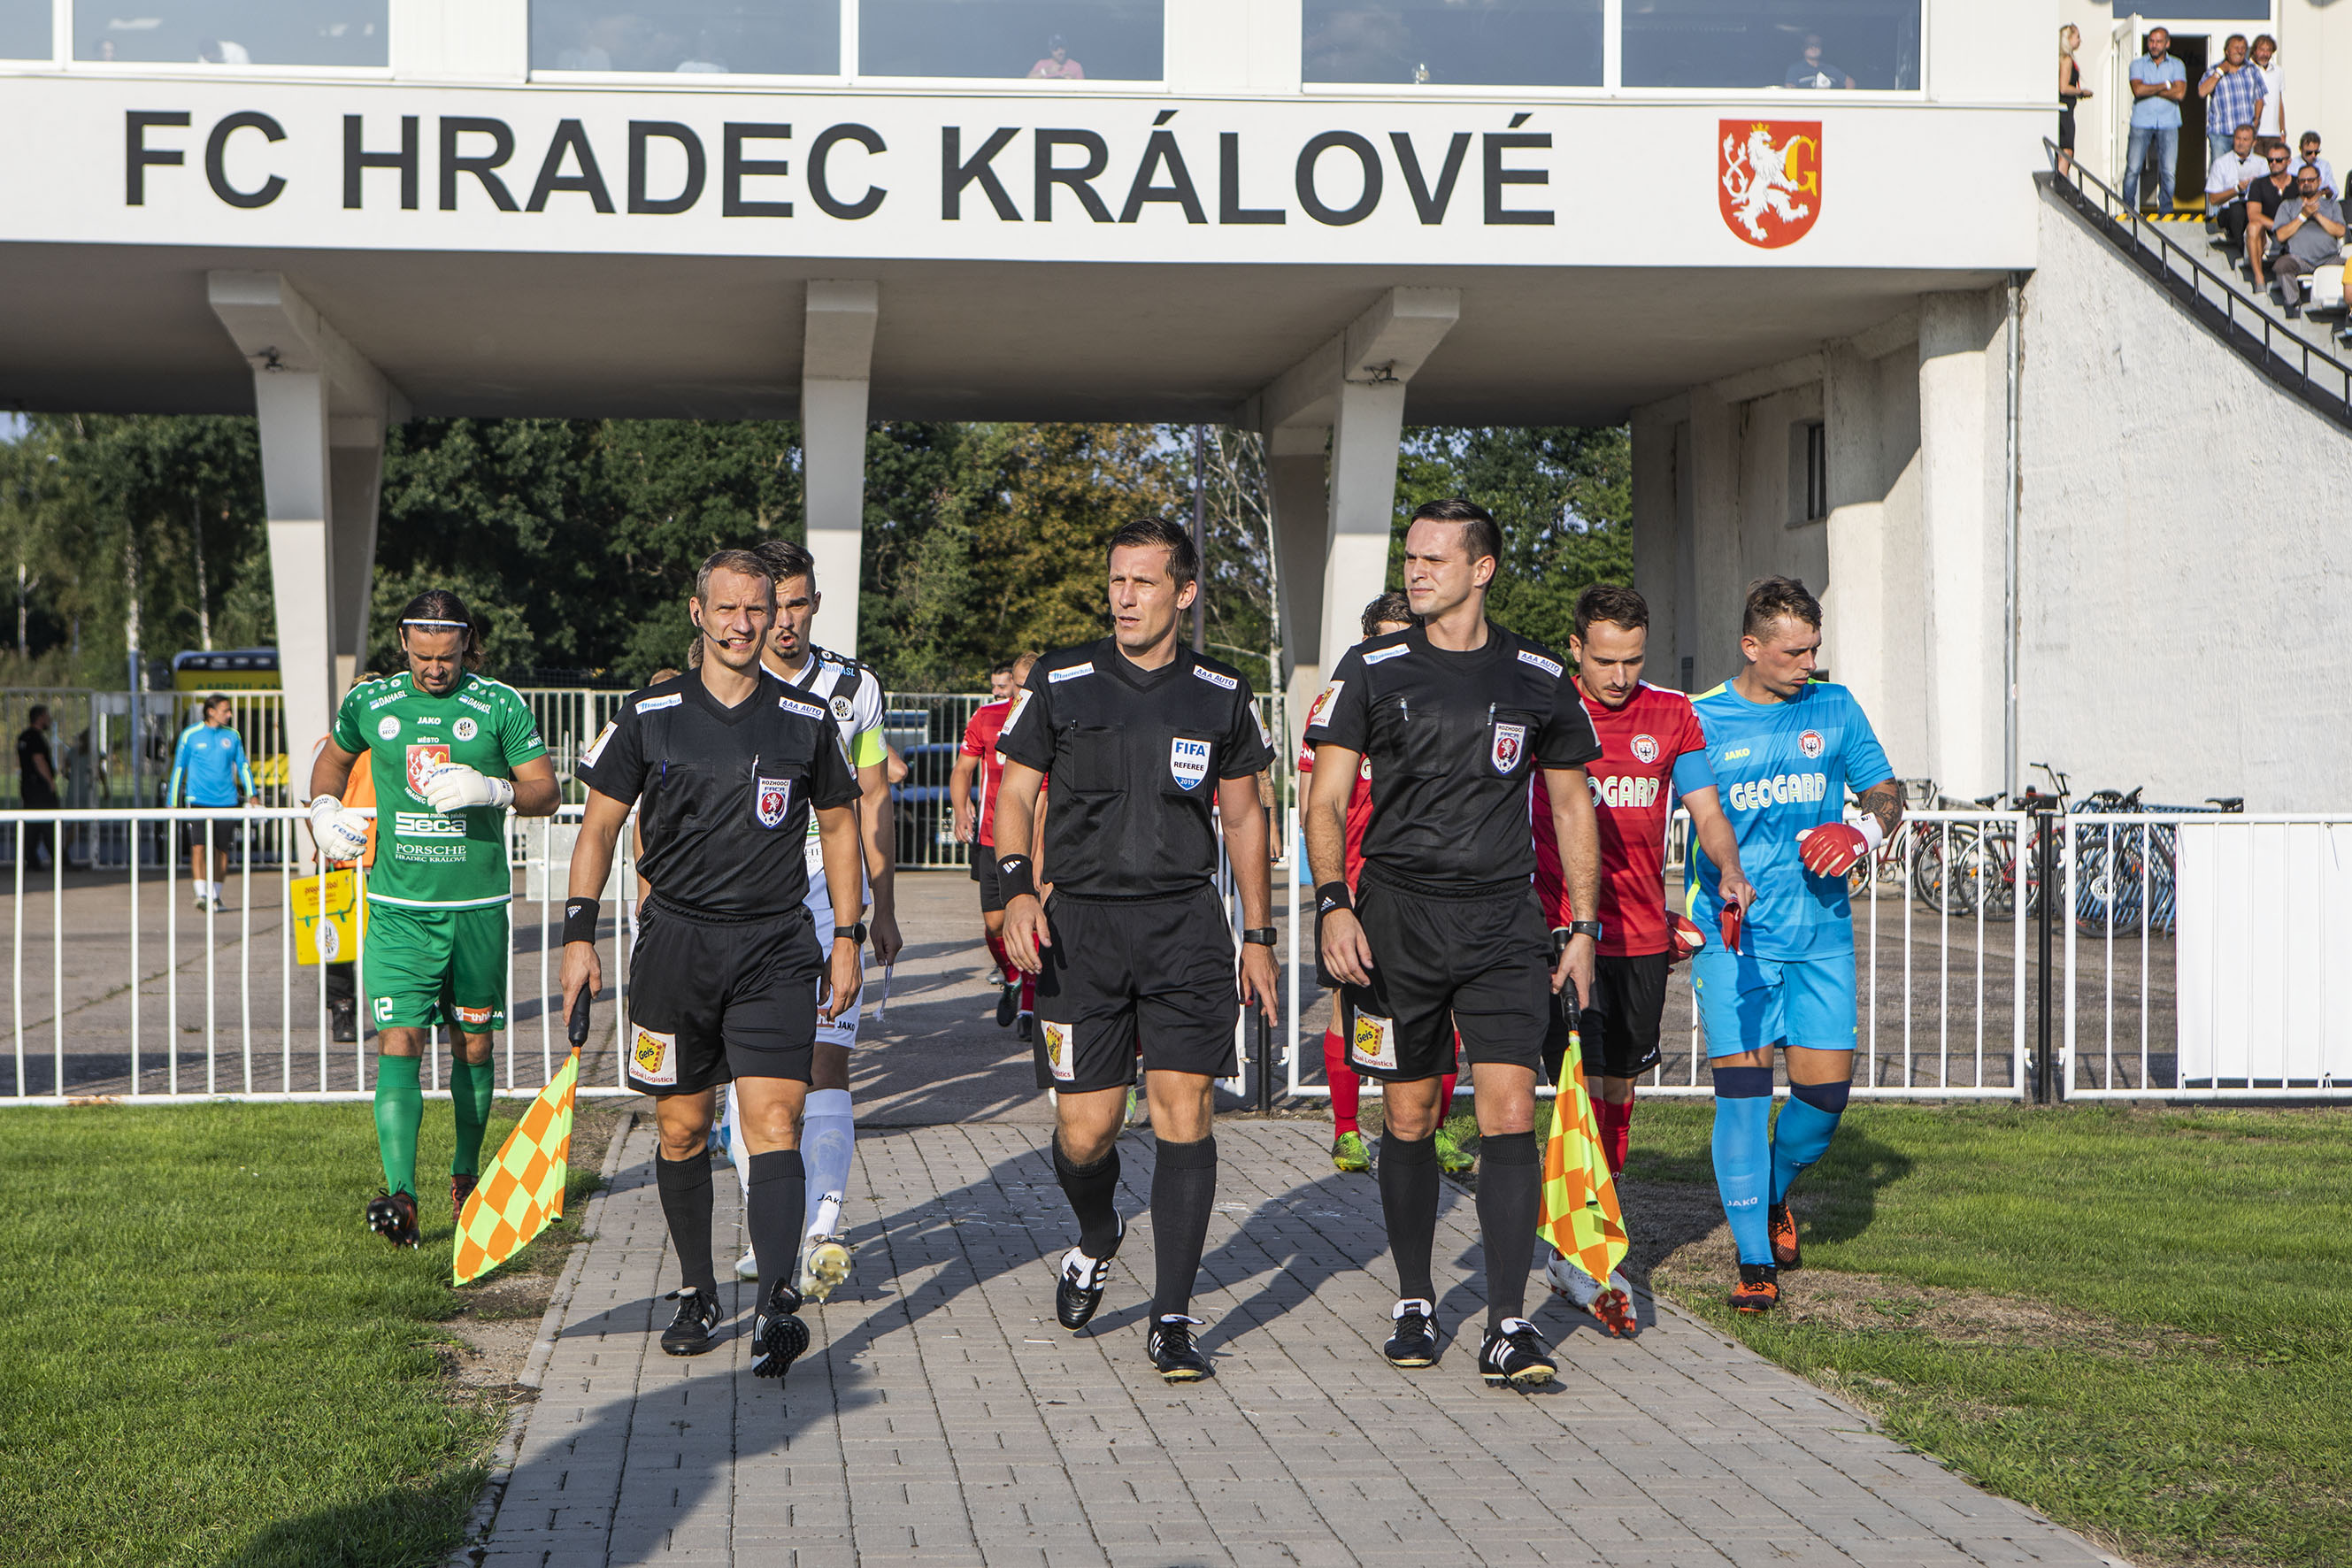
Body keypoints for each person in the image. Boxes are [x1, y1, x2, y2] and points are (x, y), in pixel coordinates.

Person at [1305, 497, 1603, 1390]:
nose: (1416, 571)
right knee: (1409, 1117)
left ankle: (1508, 1324)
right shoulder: (1371, 667)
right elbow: (1325, 801)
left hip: (1503, 923)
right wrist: (1333, 904)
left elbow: (1571, 806)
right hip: (1396, 920)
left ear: (1483, 569)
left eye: (1435, 559)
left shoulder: (1539, 675)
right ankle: (1414, 1298)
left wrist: (1583, 928)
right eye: (1411, 557)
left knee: (1511, 1113)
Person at [560, 550, 865, 1380]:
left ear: (776, 615)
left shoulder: (805, 718)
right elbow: (598, 827)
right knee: (682, 1128)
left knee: (776, 1124)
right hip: (675, 950)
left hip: (774, 948)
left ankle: (774, 1307)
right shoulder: (648, 713)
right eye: (726, 609)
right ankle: (697, 1290)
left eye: (756, 609)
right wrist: (578, 936)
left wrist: (847, 935)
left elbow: (841, 827)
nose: (742, 625)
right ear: (698, 614)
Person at [995, 516, 1277, 1383]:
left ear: (1183, 593)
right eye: (1116, 580)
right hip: (1078, 932)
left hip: (1185, 928)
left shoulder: (1221, 691)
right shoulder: (1061, 679)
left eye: (1144, 581)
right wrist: (1014, 887)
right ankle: (1097, 1232)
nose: (1124, 596)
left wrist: (1259, 935)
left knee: (1184, 1111)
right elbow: (1015, 793)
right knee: (1086, 1132)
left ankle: (1173, 1317)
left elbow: (1244, 817)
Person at [1530, 586, 1754, 1334]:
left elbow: (1706, 809)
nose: (1621, 676)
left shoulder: (1671, 713)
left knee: (1620, 1084)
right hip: (1565, 932)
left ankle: (1590, 1225)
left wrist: (1728, 867)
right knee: (1580, 1077)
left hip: (1642, 937)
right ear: (1576, 648)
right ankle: (1582, 1249)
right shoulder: (1545, 707)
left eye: (1633, 660)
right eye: (1605, 661)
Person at [309, 592, 560, 1247]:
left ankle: (465, 1176)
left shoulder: (498, 704)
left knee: (474, 1044)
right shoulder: (372, 703)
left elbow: (548, 791)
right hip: (399, 911)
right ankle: (402, 1196)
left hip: (477, 911)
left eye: (446, 656)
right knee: (400, 1041)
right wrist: (322, 811)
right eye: (422, 656)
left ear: (466, 643)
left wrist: (497, 790)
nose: (434, 669)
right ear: (403, 642)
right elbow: (331, 762)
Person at [1687, 577, 1901, 1314]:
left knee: (1823, 1101)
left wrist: (1861, 830)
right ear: (1751, 646)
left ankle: (1772, 1192)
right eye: (1794, 652)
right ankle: (1754, 1260)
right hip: (1735, 938)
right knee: (1744, 1101)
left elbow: (1887, 792)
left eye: (1814, 648)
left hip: (1821, 935)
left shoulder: (1834, 706)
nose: (1810, 663)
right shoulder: (1701, 718)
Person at [716, 537, 903, 1303]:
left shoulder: (855, 687)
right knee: (753, 1076)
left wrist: (880, 906)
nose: (785, 621)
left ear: (815, 604)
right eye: (775, 606)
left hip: (830, 903)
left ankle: (822, 1230)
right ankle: (772, 1228)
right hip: (742, 903)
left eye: (798, 604)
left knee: (827, 1062)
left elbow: (873, 798)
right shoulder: (727, 676)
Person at [1299, 592, 1469, 1178]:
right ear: (1367, 643)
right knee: (1347, 1007)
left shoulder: (1433, 702)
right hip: (1353, 886)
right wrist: (1332, 895)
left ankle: (1435, 1131)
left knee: (1442, 1011)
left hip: (1420, 887)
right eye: (1386, 641)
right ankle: (1347, 1130)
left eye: (1407, 639)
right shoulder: (1338, 702)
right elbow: (1314, 804)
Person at [952, 651, 1043, 1035]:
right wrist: (961, 809)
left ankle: (1029, 1010)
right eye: (1017, 685)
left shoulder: (1049, 721)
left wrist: (1041, 847)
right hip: (991, 838)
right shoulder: (987, 717)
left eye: (1028, 685)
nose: (1021, 693)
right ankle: (1012, 978)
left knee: (1032, 923)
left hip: (1035, 841)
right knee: (994, 924)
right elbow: (962, 769)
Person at [306, 727, 378, 1043]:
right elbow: (311, 804)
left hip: (384, 857)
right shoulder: (327, 746)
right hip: (338, 861)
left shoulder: (395, 739)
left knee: (401, 939)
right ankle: (342, 1009)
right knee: (335, 945)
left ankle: (418, 1009)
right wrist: (323, 846)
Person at [170, 695, 254, 912]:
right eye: (225, 710)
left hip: (227, 801)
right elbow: (179, 767)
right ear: (211, 711)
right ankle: (201, 894)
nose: (230, 714)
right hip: (198, 800)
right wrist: (172, 801)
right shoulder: (190, 735)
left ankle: (215, 896)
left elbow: (243, 766)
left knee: (221, 850)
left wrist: (252, 794)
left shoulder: (232, 736)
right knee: (198, 846)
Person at [2265, 163, 2343, 318]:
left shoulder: (2331, 205)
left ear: (2319, 181)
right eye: (2302, 181)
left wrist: (2316, 215)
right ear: (2298, 183)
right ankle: (2294, 304)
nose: (2306, 183)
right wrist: (2303, 216)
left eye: (2310, 180)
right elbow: (2280, 235)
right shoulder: (2288, 206)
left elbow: (2340, 231)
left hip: (2329, 258)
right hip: (2300, 260)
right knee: (2281, 265)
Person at [2126, 28, 2187, 213]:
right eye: (2151, 41)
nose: (2154, 45)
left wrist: (2150, 89)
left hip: (2169, 122)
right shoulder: (2138, 64)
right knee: (2133, 168)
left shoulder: (2177, 65)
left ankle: (2166, 211)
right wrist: (2165, 85)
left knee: (2168, 170)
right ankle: (2128, 209)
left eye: (2159, 41)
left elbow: (2180, 93)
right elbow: (2138, 90)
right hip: (2141, 122)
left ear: (2167, 43)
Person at [2197, 35, 2265, 172]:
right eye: (2236, 48)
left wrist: (2256, 120)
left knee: (2245, 172)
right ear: (2227, 51)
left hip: (2244, 134)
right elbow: (2202, 92)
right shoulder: (2213, 70)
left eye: (2243, 48)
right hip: (2221, 134)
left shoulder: (2252, 70)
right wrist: (2219, 72)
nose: (2240, 51)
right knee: (2219, 172)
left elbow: (2259, 97)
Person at [2243, 143, 2302, 293]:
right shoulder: (2259, 184)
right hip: (2268, 233)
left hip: (2293, 231)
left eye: (2278, 160)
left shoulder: (2299, 183)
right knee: (2253, 227)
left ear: (2288, 161)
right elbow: (2253, 214)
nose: (2273, 163)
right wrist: (2277, 225)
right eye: (2270, 160)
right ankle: (2259, 279)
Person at [2208, 122, 2268, 252]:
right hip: (2229, 212)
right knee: (2237, 210)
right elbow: (2213, 199)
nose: (2241, 143)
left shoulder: (2262, 163)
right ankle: (2247, 253)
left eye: (2245, 139)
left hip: (2254, 209)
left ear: (2253, 142)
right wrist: (2236, 189)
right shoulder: (2221, 163)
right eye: (2238, 139)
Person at [15, 703, 57, 872]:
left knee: (31, 824)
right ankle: (59, 859)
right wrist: (50, 781)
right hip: (39, 787)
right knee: (49, 823)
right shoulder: (36, 738)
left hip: (28, 787)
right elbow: (39, 760)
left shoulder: (23, 737)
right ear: (40, 718)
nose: (49, 720)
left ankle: (31, 859)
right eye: (47, 716)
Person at [2056, 25, 2092, 174]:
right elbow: (2063, 87)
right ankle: (2061, 179)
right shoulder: (2067, 60)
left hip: (2066, 109)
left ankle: (2061, 177)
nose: (2080, 40)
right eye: (2077, 37)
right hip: (2065, 110)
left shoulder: (2061, 59)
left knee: (2065, 149)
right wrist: (2081, 92)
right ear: (2069, 38)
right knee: (2067, 150)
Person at [1784, 34, 1852, 91]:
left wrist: (1841, 100)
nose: (1814, 48)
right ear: (1803, 48)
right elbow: (1790, 88)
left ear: (1821, 49)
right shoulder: (1795, 69)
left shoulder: (1830, 69)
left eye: (1817, 45)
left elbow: (1850, 82)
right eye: (1810, 45)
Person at [2251, 35, 2284, 150]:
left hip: (2273, 133)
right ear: (2255, 51)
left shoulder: (2278, 71)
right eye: (2262, 49)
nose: (2265, 54)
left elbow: (2279, 102)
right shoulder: (2247, 70)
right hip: (2254, 133)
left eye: (2268, 50)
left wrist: (2282, 131)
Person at [2295, 131, 2337, 200]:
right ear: (2300, 149)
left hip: (2321, 202)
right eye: (2309, 153)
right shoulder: (2291, 166)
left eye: (2316, 152)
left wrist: (2328, 192)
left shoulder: (2324, 165)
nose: (2313, 156)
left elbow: (2334, 191)